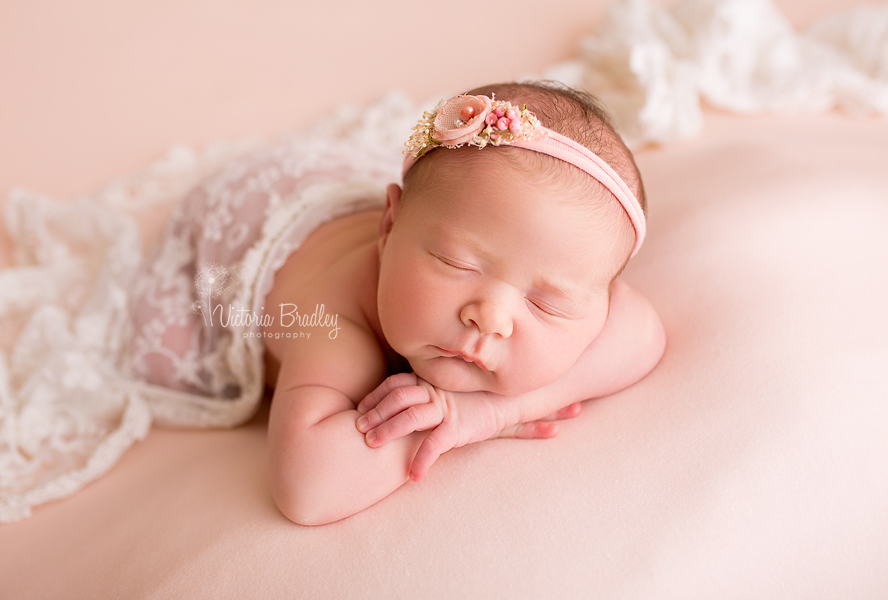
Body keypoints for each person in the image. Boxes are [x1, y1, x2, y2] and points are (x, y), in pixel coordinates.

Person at [127, 81, 666, 526]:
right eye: (458, 265)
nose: (491, 318)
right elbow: (309, 489)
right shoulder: (334, 324)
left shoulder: (547, 267)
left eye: (548, 305)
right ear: (390, 225)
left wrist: (491, 411)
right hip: (244, 224)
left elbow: (643, 332)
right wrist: (444, 422)